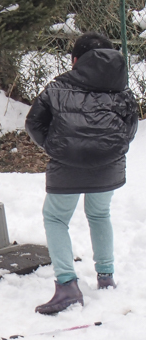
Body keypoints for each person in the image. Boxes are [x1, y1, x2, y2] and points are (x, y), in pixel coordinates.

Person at [25, 32, 138, 315]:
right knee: (100, 214)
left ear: (75, 60)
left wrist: (56, 146)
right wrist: (111, 147)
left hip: (67, 166)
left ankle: (67, 286)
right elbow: (131, 126)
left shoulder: (58, 87)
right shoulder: (122, 89)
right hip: (107, 165)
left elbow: (33, 122)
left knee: (55, 218)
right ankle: (106, 277)